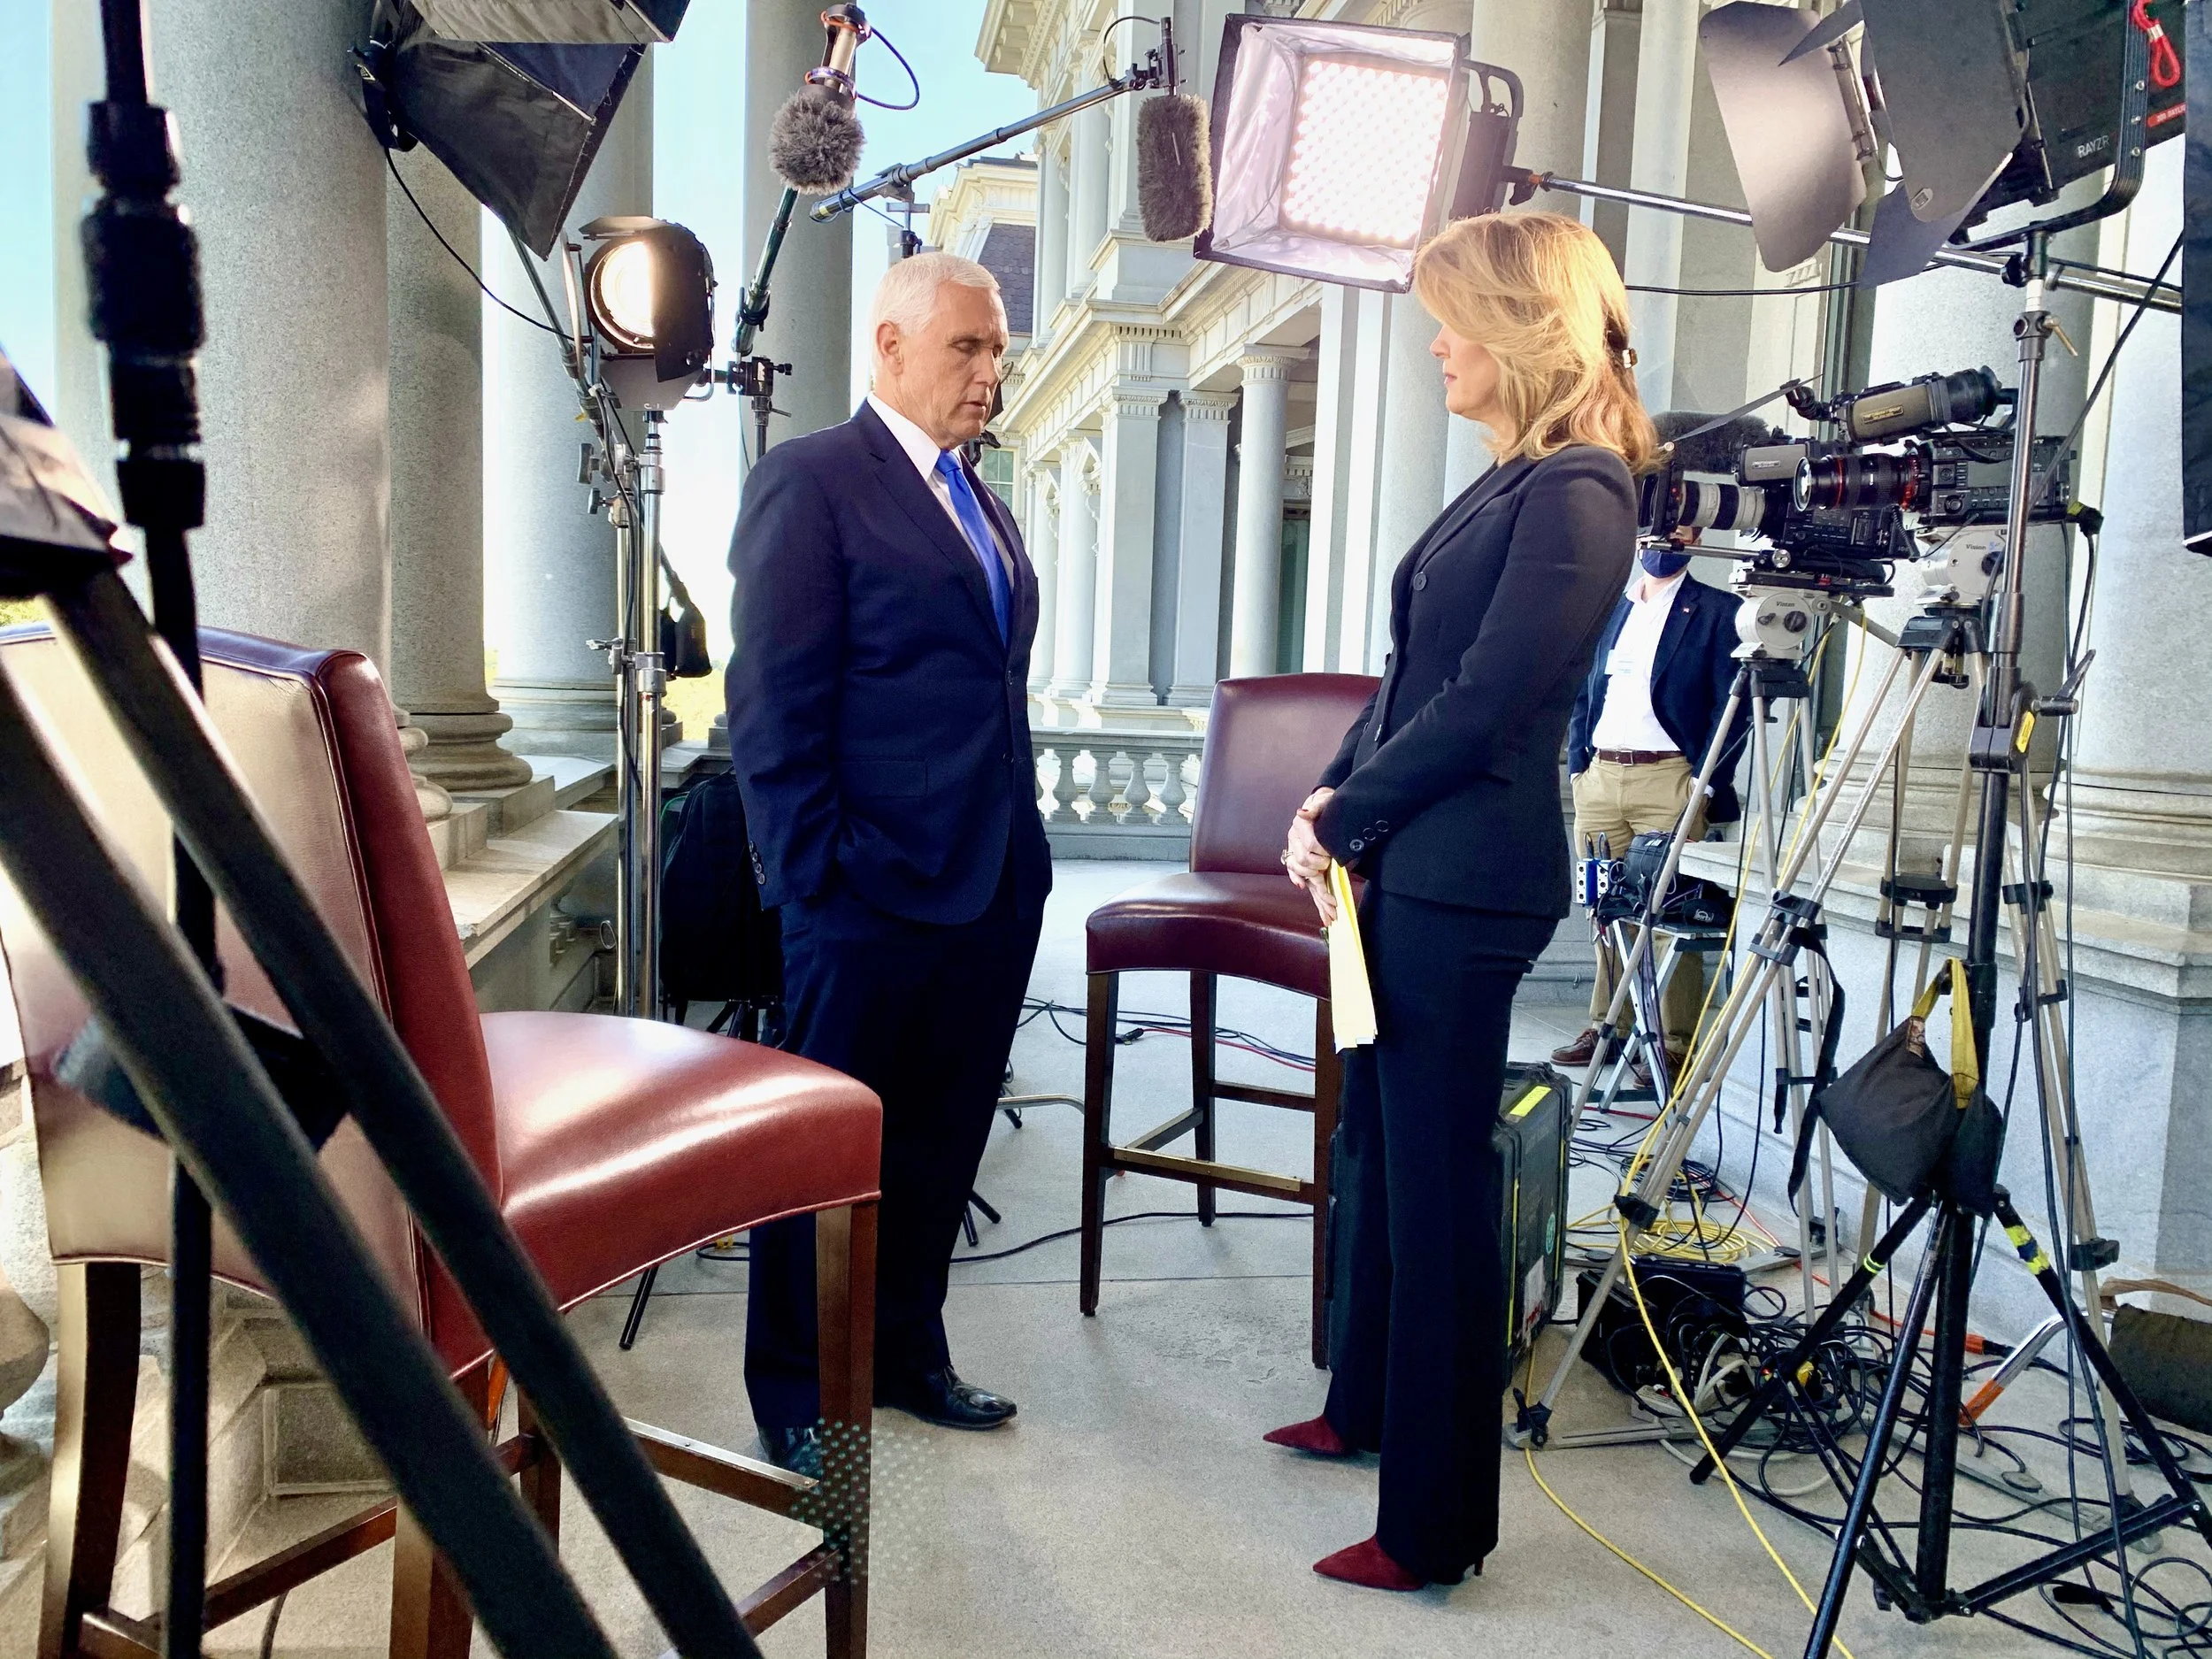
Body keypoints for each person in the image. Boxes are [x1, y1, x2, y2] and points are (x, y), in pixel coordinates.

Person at [1272, 211, 1655, 1591]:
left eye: (1455, 317)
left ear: (1522, 327)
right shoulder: (1512, 477)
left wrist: (1350, 813)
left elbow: (1490, 706)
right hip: (1403, 868)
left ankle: (1435, 1523)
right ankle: (1360, 1404)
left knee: (1440, 1199)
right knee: (1375, 1150)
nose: (1436, 340)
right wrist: (1330, 790)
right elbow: (1406, 681)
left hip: (1463, 884)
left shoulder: (1580, 490)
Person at [726, 253, 1050, 1478]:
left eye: (998, 350)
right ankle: (797, 1386)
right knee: (819, 1147)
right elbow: (771, 704)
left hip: (991, 878)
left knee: (939, 1135)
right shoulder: (811, 482)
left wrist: (1022, 855)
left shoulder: (984, 498)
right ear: (891, 345)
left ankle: (907, 1351)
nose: (990, 372)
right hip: (862, 891)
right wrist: (817, 875)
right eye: (968, 348)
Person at [1551, 426, 1753, 1079]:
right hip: (1602, 777)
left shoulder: (1720, 612)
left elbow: (1736, 707)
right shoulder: (1612, 606)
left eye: (1679, 530)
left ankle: (1671, 1037)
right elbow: (1587, 686)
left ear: (1694, 538)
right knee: (1605, 907)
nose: (1665, 541)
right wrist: (1579, 761)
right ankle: (1606, 1026)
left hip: (1669, 780)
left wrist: (1704, 779)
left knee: (1667, 913)